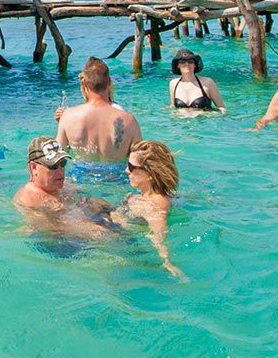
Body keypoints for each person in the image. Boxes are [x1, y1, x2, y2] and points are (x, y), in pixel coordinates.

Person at [54, 57, 143, 177]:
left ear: (84, 83)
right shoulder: (129, 120)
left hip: (81, 178)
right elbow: (140, 161)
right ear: (109, 82)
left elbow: (57, 159)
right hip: (117, 179)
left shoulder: (68, 116)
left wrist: (62, 125)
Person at [13, 137, 115, 238]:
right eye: (53, 166)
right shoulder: (28, 198)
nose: (60, 170)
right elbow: (50, 228)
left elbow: (91, 201)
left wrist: (115, 214)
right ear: (34, 167)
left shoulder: (64, 186)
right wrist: (93, 229)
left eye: (63, 163)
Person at [113, 140, 184, 279]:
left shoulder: (155, 204)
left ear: (150, 174)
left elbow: (159, 233)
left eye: (131, 166)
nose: (126, 170)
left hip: (131, 247)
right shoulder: (161, 196)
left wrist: (167, 262)